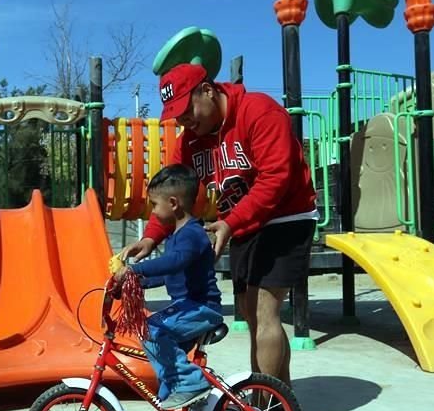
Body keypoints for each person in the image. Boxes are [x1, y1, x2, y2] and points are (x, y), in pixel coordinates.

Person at [123, 63, 317, 386]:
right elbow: (172, 194)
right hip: (242, 222)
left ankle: (263, 410)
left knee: (262, 310)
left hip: (286, 216)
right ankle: (282, 404)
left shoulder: (259, 112)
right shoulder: (188, 143)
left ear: (208, 90)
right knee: (251, 311)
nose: (185, 121)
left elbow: (276, 179)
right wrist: (151, 237)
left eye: (188, 111)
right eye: (177, 116)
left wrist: (230, 223)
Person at [113, 164, 223, 411]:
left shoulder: (192, 235)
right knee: (162, 356)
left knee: (151, 331)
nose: (152, 211)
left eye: (154, 205)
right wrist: (134, 282)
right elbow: (170, 275)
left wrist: (135, 269)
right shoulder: (176, 236)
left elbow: (174, 263)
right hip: (188, 308)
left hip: (202, 308)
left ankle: (191, 384)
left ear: (173, 203)